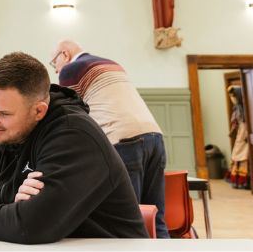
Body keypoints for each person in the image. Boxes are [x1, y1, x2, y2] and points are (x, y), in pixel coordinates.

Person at [0, 52, 147, 244]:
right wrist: (12, 212)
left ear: (38, 110)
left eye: (4, 113)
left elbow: (31, 226)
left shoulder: (74, 134)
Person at [52, 40, 168, 238]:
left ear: (64, 54)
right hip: (154, 137)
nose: (56, 71)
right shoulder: (111, 63)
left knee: (129, 220)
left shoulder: (72, 68)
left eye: (54, 63)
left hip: (124, 140)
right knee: (156, 217)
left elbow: (68, 113)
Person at [226, 85, 250, 189]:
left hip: (245, 134)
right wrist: (231, 132)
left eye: (234, 96)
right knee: (236, 154)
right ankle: (236, 179)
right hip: (240, 133)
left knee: (245, 155)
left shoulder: (246, 110)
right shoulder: (236, 109)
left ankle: (245, 181)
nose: (233, 99)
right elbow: (235, 123)